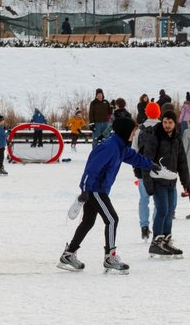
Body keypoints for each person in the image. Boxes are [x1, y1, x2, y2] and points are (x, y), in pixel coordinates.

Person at [58, 117, 158, 273]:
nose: (134, 134)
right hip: (95, 189)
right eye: (133, 132)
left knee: (88, 222)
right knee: (112, 219)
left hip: (99, 189)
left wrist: (150, 165)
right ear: (125, 131)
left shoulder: (120, 147)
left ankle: (69, 254)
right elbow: (91, 168)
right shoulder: (109, 147)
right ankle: (110, 257)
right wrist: (84, 189)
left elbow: (133, 157)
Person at [139, 109, 190, 257]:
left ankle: (166, 240)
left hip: (171, 181)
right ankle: (156, 242)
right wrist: (148, 184)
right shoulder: (155, 137)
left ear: (175, 124)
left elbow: (182, 161)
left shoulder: (176, 139)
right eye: (165, 122)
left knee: (170, 211)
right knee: (162, 209)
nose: (167, 125)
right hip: (158, 180)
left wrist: (186, 182)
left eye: (170, 122)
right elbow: (146, 161)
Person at [133, 101, 161, 241]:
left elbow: (134, 150)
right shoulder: (162, 128)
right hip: (159, 170)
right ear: (159, 113)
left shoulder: (140, 129)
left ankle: (144, 227)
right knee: (158, 200)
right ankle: (157, 227)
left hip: (142, 168)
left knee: (143, 199)